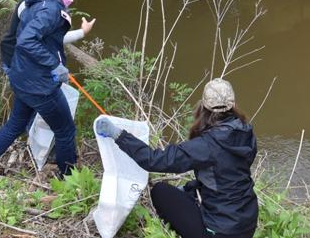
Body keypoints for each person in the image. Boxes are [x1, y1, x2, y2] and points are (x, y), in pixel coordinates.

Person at [0, 0, 95, 177]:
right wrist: (55, 66)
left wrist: (81, 33)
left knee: (16, 124)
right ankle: (68, 178)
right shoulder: (51, 10)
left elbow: (31, 38)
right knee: (65, 131)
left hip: (21, 76)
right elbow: (27, 40)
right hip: (40, 84)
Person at [96, 78, 258, 238]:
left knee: (160, 191)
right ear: (233, 105)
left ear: (203, 107)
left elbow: (154, 160)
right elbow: (226, 174)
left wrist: (118, 135)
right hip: (248, 222)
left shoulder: (206, 145)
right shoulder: (246, 131)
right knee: (187, 189)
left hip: (220, 232)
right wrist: (189, 188)